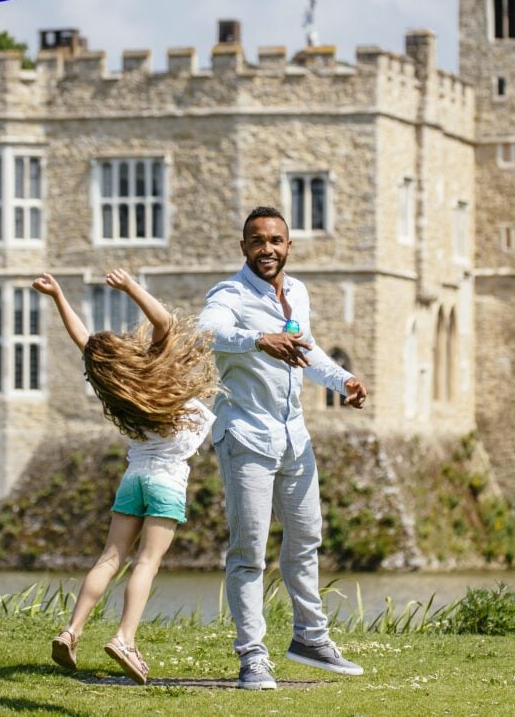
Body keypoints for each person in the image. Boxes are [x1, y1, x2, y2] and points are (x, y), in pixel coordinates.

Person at [198, 205, 368, 690]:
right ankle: (253, 658)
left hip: (295, 437)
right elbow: (205, 332)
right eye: (257, 241)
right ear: (243, 247)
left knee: (306, 538)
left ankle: (311, 639)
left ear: (288, 246)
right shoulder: (228, 294)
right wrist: (257, 340)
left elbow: (306, 351)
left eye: (275, 240)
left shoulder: (297, 292)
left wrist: (344, 380)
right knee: (249, 552)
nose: (267, 249)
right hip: (246, 436)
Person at [35, 269, 218, 685]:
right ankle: (125, 638)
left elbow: (84, 343)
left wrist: (59, 296)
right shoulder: (153, 372)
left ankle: (72, 630)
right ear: (123, 353)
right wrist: (131, 287)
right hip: (167, 480)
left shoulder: (115, 387)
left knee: (110, 558)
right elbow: (164, 323)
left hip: (134, 477)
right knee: (147, 562)